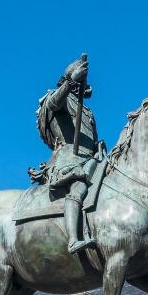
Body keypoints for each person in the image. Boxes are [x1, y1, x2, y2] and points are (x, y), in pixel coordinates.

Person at [30, 55, 102, 254]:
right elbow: (53, 104)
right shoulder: (58, 98)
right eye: (81, 81)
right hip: (67, 160)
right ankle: (73, 240)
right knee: (78, 187)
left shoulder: (87, 111)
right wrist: (71, 82)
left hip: (90, 161)